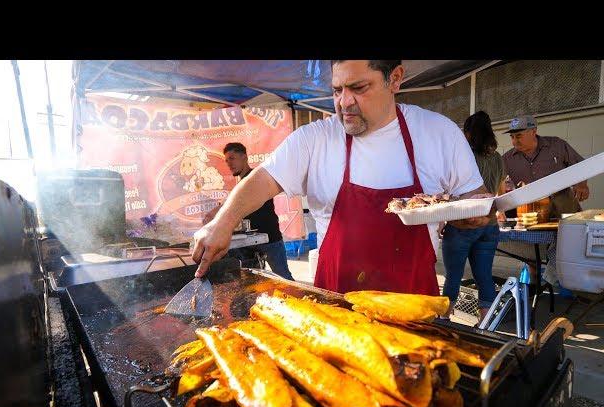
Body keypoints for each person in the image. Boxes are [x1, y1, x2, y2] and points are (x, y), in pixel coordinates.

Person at [193, 60, 491, 295]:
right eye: (337, 90)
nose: (344, 102)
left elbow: (473, 196)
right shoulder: (316, 139)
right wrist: (224, 221)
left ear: (395, 78)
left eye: (358, 87)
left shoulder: (439, 133)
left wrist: (471, 213)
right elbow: (263, 179)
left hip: (414, 310)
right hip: (336, 312)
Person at [441, 111, 504, 322]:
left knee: (453, 278)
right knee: (484, 277)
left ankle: (444, 322)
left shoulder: (462, 156)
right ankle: (486, 326)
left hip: (462, 224)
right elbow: (501, 190)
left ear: (466, 134)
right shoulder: (497, 158)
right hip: (490, 224)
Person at [202, 142, 294, 280]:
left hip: (270, 238)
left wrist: (215, 213)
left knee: (283, 277)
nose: (229, 164)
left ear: (244, 157)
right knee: (250, 281)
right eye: (226, 160)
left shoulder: (255, 178)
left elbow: (234, 201)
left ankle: (303, 299)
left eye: (232, 158)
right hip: (249, 241)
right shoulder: (241, 182)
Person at [502, 114, 589, 218]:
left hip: (565, 208)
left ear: (533, 132)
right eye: (512, 137)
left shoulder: (556, 145)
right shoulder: (507, 159)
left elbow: (580, 165)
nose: (515, 141)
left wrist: (581, 184)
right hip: (532, 215)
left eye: (519, 136)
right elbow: (497, 183)